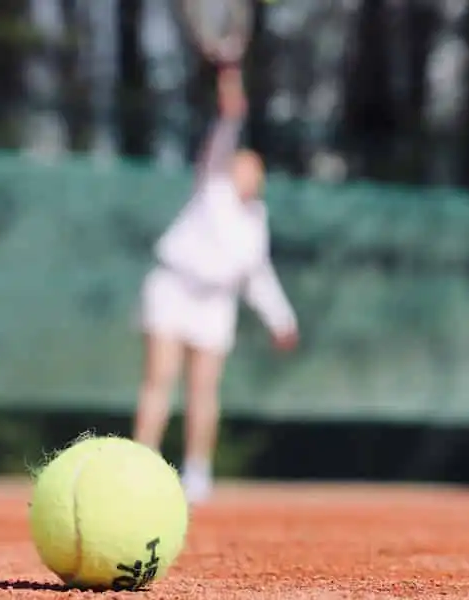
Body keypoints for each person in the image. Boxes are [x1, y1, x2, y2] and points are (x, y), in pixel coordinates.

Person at [132, 65, 299, 505]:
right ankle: (140, 467)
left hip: (215, 304)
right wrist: (230, 95)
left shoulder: (255, 220)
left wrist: (281, 320)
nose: (248, 174)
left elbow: (257, 275)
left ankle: (197, 473)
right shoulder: (212, 187)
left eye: (255, 171)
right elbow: (227, 124)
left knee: (204, 388)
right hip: (173, 287)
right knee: (159, 379)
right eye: (241, 167)